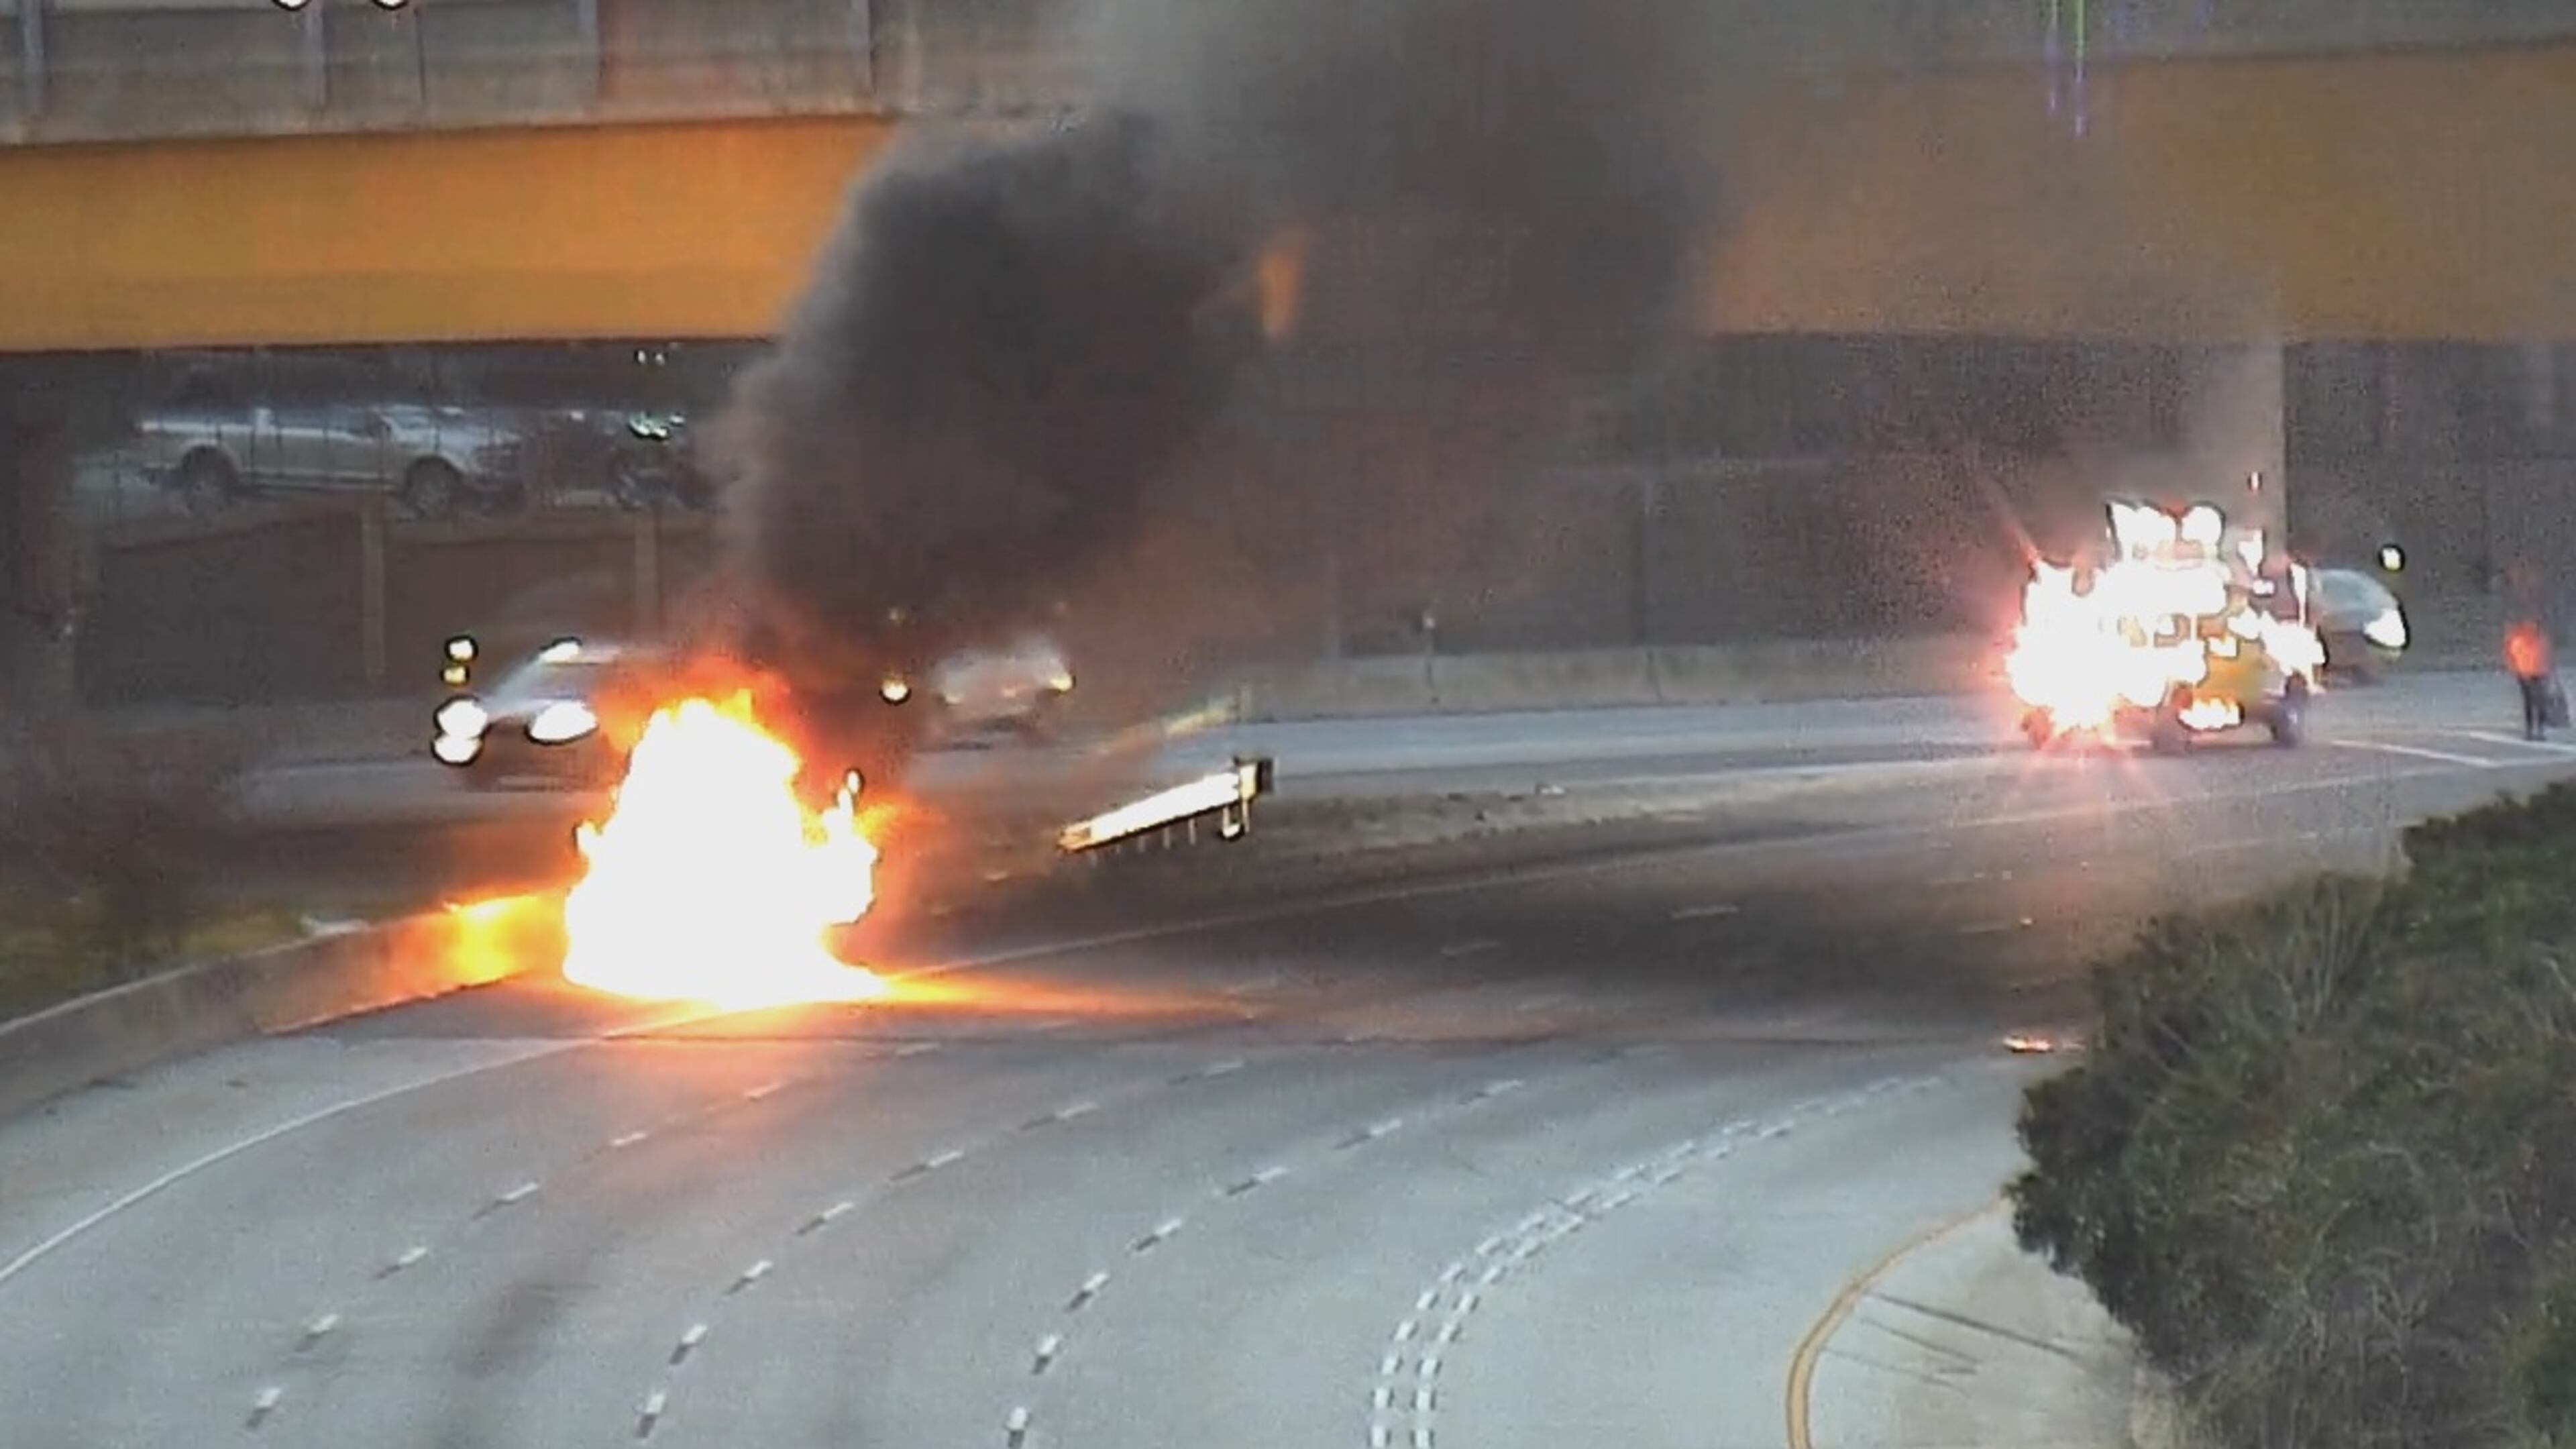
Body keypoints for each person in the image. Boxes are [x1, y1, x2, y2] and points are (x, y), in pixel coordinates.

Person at [2506, 614, 2556, 741]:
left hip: (2539, 674)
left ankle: (2539, 730)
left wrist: (2549, 672)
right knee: (2530, 702)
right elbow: (2512, 657)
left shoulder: (2541, 641)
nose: (2532, 628)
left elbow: (2548, 657)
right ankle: (2531, 729)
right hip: (2525, 674)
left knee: (2539, 702)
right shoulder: (2519, 641)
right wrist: (2516, 670)